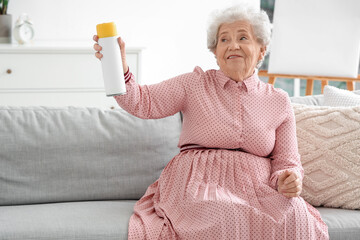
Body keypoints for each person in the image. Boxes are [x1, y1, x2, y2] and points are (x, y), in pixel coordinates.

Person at [93, 4, 329, 240]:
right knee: (224, 213)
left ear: (261, 50)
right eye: (224, 39)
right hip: (198, 184)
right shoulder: (193, 84)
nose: (232, 45)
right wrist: (120, 66)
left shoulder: (278, 100)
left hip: (258, 190)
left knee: (296, 214)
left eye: (243, 37)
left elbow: (287, 162)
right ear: (215, 52)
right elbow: (142, 102)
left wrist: (288, 178)